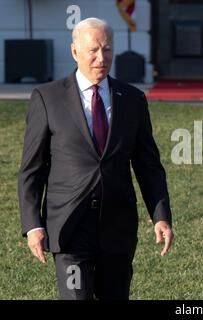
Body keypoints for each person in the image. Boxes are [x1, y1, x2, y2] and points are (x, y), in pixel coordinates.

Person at [18, 17, 173, 300]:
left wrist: (160, 215)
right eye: (93, 50)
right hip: (70, 229)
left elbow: (148, 166)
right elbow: (32, 169)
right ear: (75, 52)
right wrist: (33, 225)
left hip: (117, 228)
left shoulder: (133, 99)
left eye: (108, 49)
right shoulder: (47, 98)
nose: (102, 58)